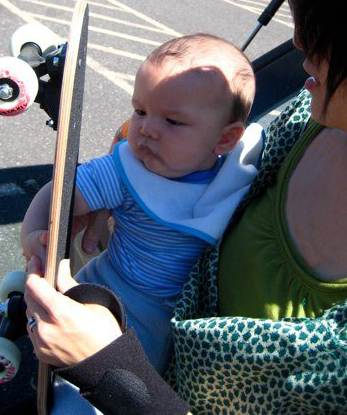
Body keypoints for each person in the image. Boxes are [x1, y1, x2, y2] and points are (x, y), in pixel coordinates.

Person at [24, 0, 347, 414]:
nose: (299, 42)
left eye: (329, 23)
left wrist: (113, 372)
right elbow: (186, 158)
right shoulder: (303, 126)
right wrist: (122, 180)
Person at [21, 35, 261, 379]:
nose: (147, 129)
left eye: (173, 121)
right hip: (113, 293)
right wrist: (33, 233)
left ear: (225, 139)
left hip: (181, 316)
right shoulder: (127, 171)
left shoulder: (236, 175)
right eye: (140, 111)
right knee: (101, 382)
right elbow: (61, 190)